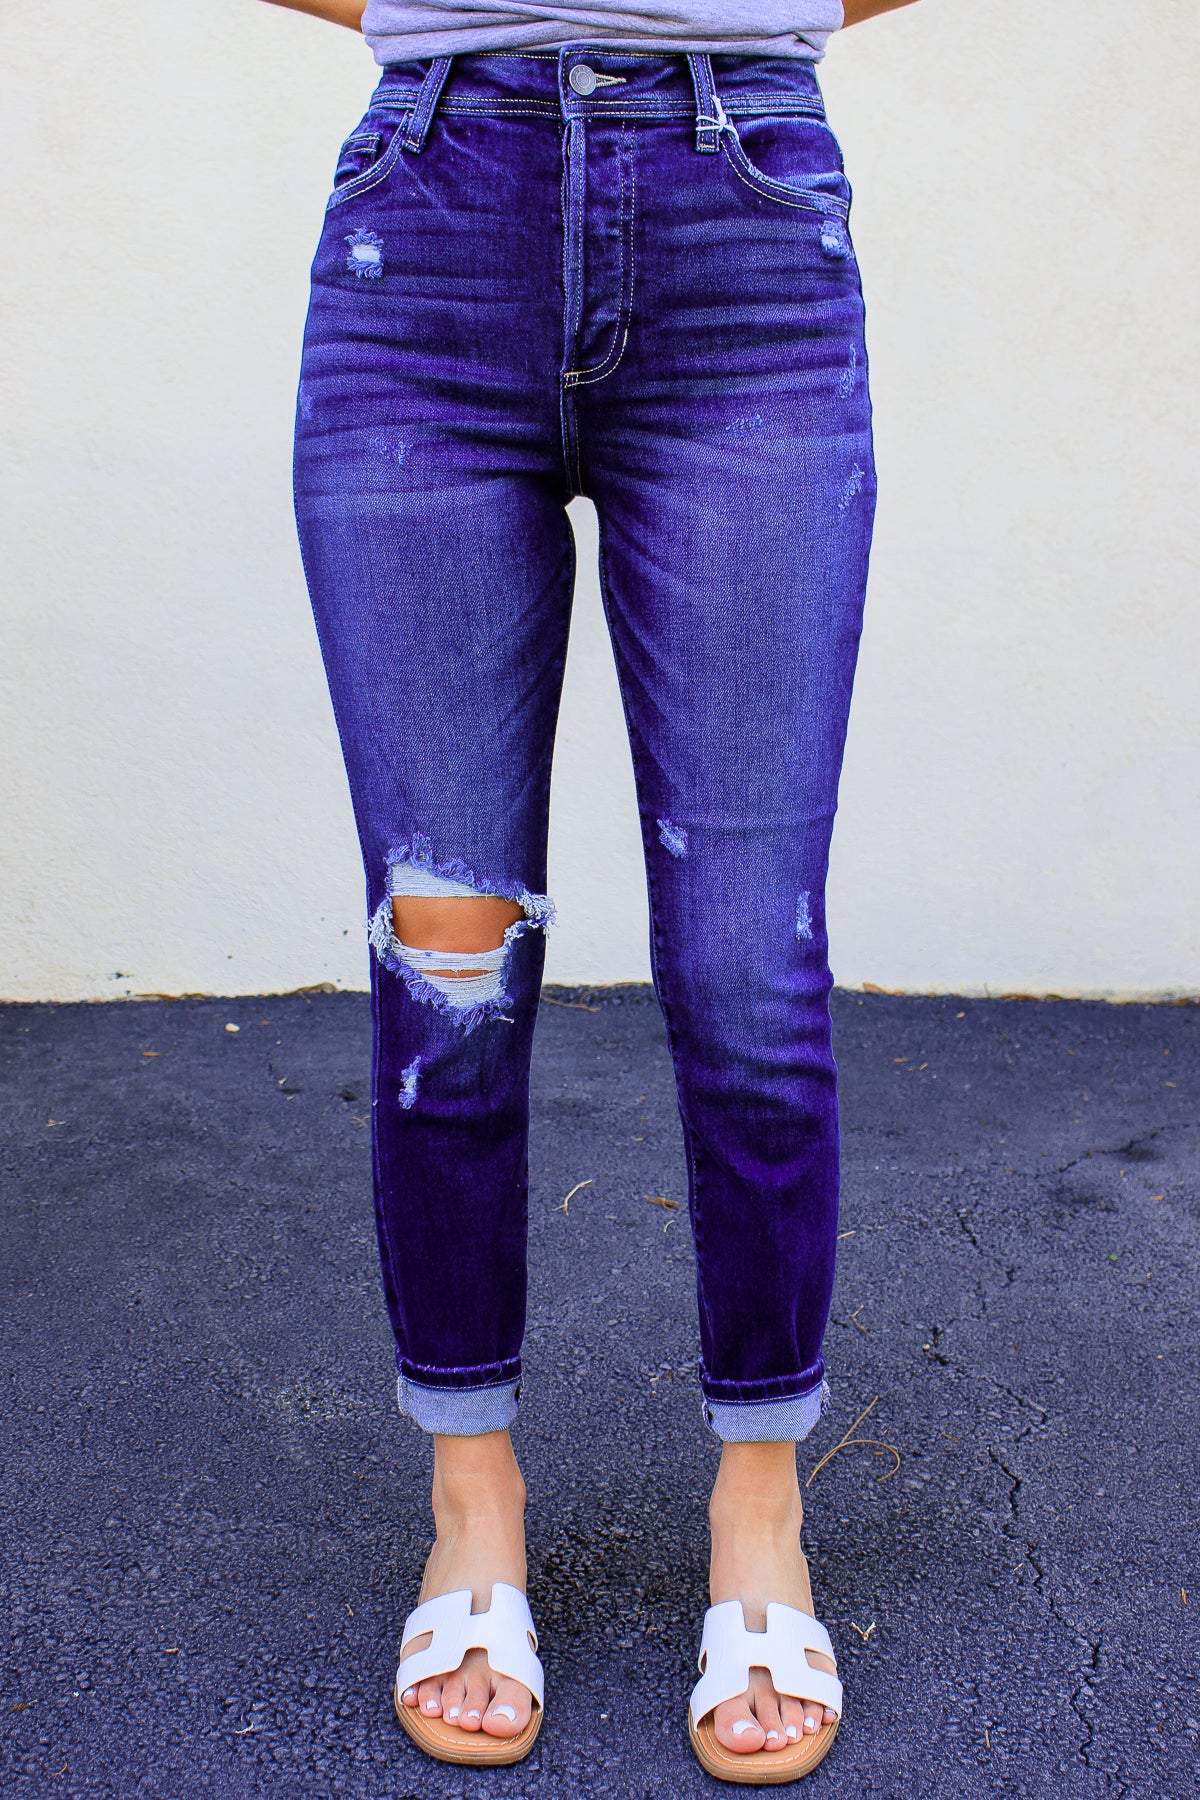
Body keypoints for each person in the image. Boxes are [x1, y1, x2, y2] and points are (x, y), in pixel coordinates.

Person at [266, 0, 917, 1780]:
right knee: (446, 956)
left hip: (742, 217)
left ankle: (760, 1511)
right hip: (429, 216)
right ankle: (472, 1502)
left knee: (748, 967)